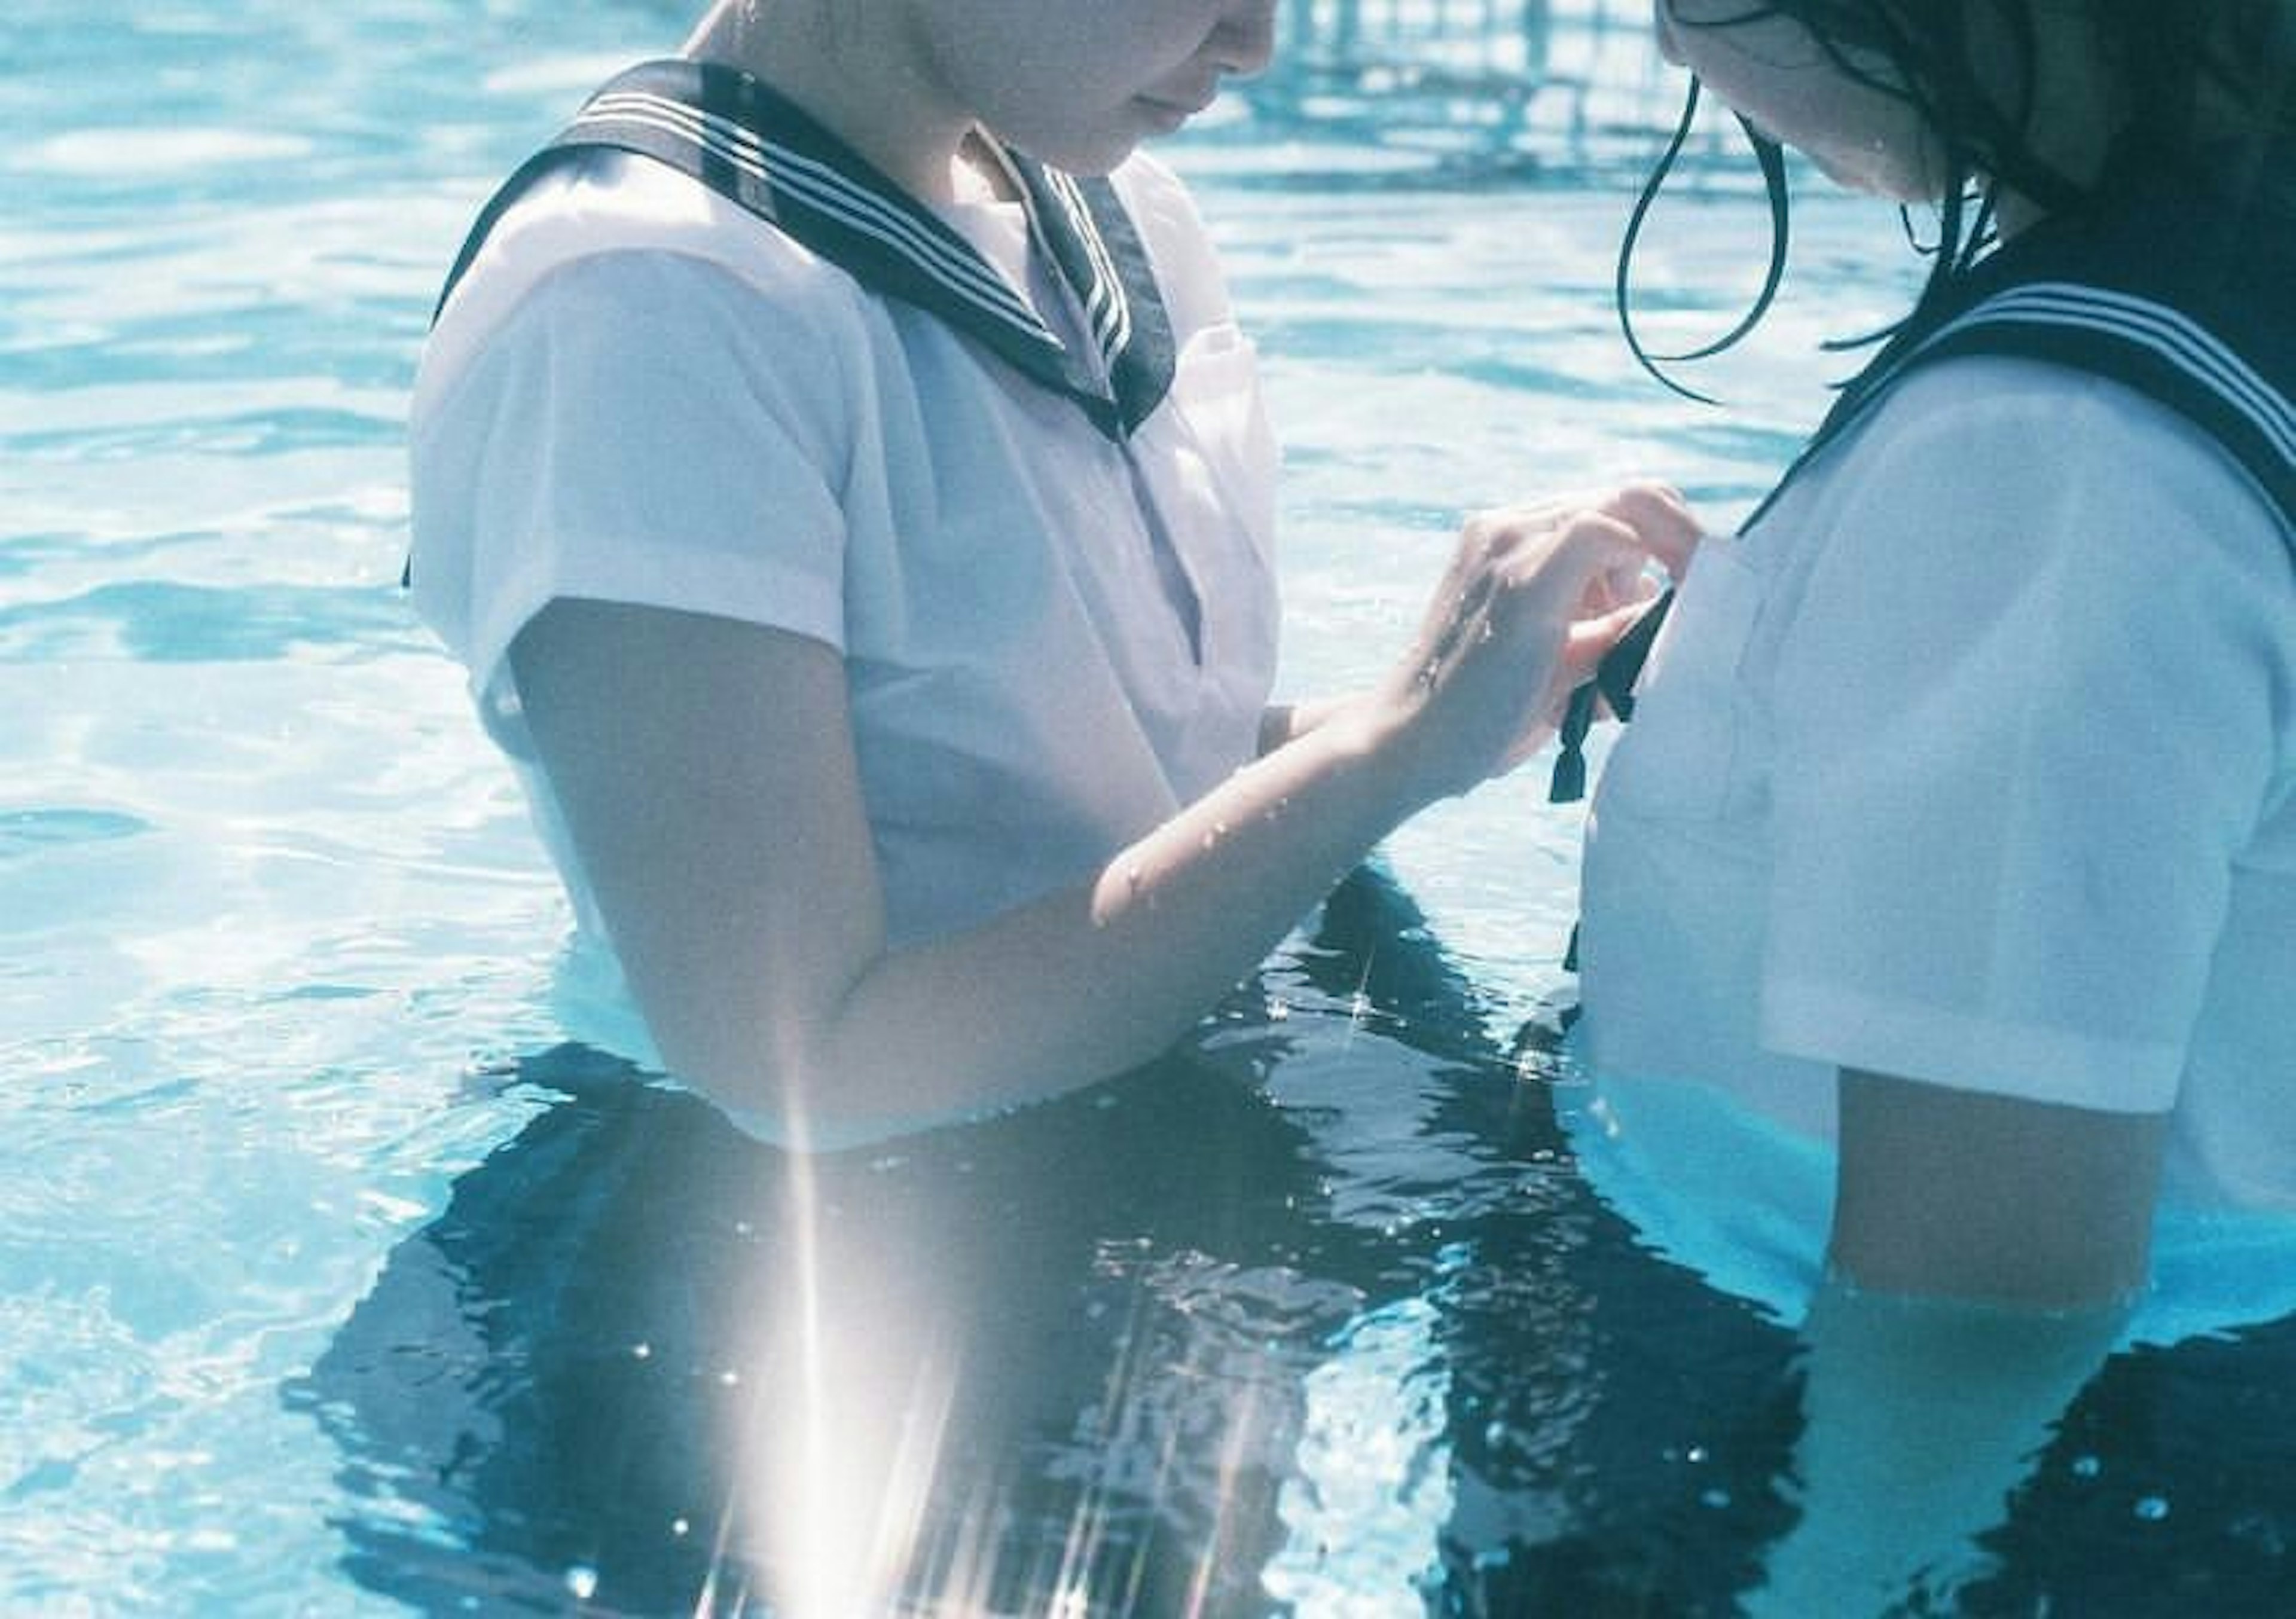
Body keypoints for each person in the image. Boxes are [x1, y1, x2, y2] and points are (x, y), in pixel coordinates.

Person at [405, 0, 1695, 1150]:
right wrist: (1387, 756)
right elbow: (805, 1063)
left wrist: (1446, 707)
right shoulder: (649, 313)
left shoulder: (1109, 213)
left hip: (1129, 1121)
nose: (1257, 41)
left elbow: (1087, 781)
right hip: (795, 1261)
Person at [1570, 0, 2295, 1603]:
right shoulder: (2225, 299)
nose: (1671, 37)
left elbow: (1978, 1298)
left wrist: (1832, 1580)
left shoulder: (2048, 464)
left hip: (1927, 1477)